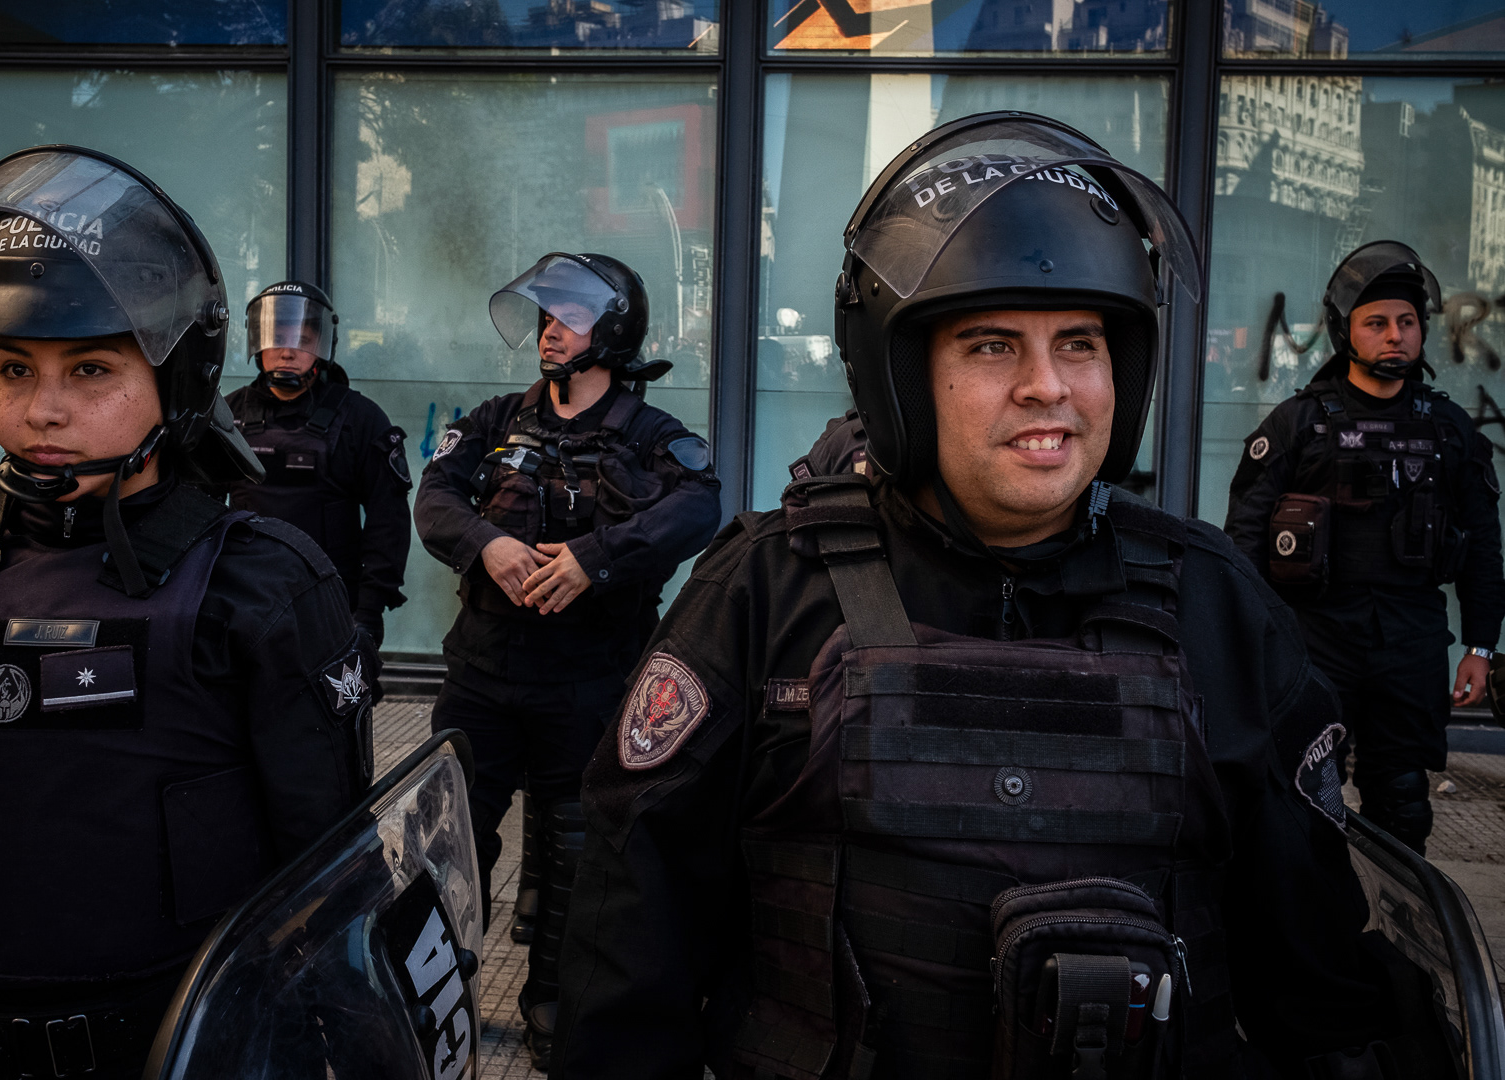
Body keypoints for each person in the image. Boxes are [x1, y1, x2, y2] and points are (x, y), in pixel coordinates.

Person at [551, 114, 1406, 1079]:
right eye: (994, 347)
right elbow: (629, 953)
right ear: (902, 376)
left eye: (1081, 344)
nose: (1051, 388)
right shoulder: (765, 588)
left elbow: (1319, 988)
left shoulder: (1217, 605)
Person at [0, 147, 373, 1079]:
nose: (44, 410)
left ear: (177, 381)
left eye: (93, 369)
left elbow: (331, 879)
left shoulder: (259, 583)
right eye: (15, 369)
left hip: (171, 1046)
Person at [415, 251, 722, 1069]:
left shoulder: (656, 438)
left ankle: (552, 1004)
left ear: (611, 334)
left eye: (570, 317)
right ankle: (435, 994)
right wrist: (487, 545)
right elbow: (436, 497)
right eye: (546, 317)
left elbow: (701, 504)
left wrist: (595, 558)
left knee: (576, 853)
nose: (551, 331)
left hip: (586, 684)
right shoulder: (494, 419)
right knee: (446, 840)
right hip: (481, 677)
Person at [1224, 241, 1505, 856]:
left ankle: (1398, 938)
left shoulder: (1450, 431)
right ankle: (1306, 935)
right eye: (1376, 323)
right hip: (1313, 637)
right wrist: (1253, 643)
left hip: (1412, 639)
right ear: (1344, 331)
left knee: (1403, 801)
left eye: (1407, 323)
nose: (1394, 336)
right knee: (1299, 796)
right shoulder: (1299, 425)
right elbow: (1243, 540)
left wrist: (1482, 645)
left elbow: (1484, 546)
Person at [223, 281, 412, 647]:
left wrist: (369, 613)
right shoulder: (228, 416)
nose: (288, 352)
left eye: (303, 340)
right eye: (277, 336)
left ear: (323, 348)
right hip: (242, 596)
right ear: (257, 343)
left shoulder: (361, 419)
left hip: (332, 600)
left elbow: (387, 523)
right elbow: (194, 510)